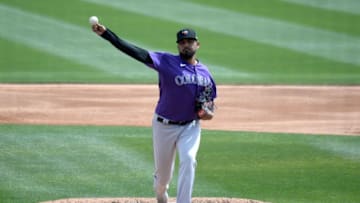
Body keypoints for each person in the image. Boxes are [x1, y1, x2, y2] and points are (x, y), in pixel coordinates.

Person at [91, 22, 217, 203]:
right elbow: (135, 52)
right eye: (182, 42)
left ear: (197, 44)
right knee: (163, 179)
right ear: (178, 45)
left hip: (190, 126)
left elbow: (209, 107)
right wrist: (107, 34)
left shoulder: (206, 74)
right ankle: (160, 193)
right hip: (163, 125)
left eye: (190, 41)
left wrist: (207, 114)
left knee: (189, 160)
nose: (186, 44)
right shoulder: (166, 61)